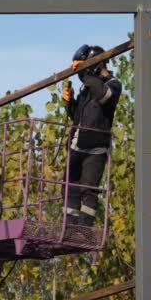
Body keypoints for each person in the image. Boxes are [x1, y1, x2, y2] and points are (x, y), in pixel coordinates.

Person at [61, 44, 122, 227]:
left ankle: (84, 228)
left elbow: (105, 97)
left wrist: (87, 73)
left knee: (88, 190)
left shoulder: (112, 84)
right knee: (68, 186)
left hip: (95, 149)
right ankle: (70, 226)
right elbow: (78, 118)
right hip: (77, 145)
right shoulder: (86, 89)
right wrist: (71, 102)